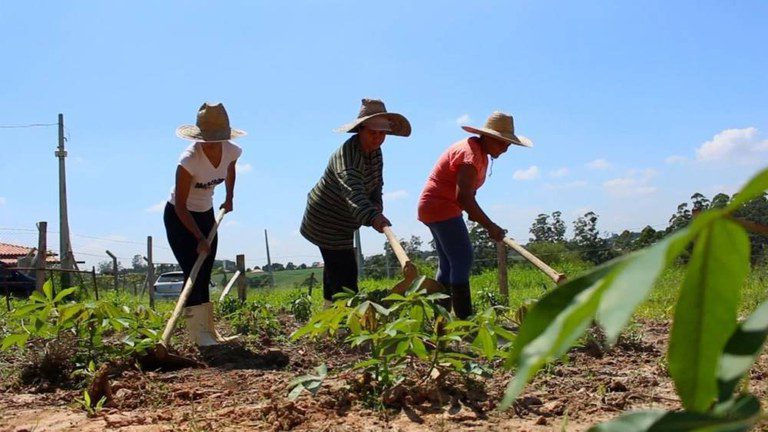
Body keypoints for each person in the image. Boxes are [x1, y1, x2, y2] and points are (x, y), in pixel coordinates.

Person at [417, 112, 531, 318]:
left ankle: (440, 322)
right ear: (487, 137)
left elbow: (468, 193)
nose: (506, 148)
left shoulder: (479, 153)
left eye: (508, 144)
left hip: (433, 206)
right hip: (441, 206)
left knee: (448, 263)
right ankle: (465, 322)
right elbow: (464, 198)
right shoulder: (470, 155)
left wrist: (474, 213)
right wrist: (490, 225)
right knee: (462, 259)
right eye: (502, 142)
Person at [301, 98, 411, 305]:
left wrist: (377, 204)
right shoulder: (347, 159)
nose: (378, 138)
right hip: (324, 219)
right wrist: (374, 217)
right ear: (360, 129)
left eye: (382, 133)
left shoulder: (375, 152)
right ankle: (346, 326)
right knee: (346, 276)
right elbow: (355, 195)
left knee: (335, 267)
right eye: (373, 133)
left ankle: (327, 318)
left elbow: (377, 183)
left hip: (344, 222)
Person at [164, 102, 243, 346]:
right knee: (193, 271)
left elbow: (230, 170)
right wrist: (199, 237)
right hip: (180, 217)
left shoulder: (231, 150)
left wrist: (229, 197)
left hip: (206, 213)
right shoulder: (188, 160)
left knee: (205, 270)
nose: (213, 143)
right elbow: (180, 205)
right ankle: (198, 336)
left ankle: (210, 332)